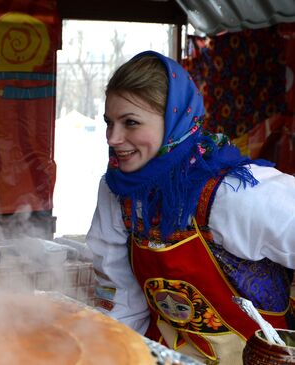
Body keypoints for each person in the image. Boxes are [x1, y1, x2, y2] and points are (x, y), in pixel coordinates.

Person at [86, 50, 295, 365]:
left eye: (130, 122)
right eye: (109, 122)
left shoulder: (237, 193)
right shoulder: (118, 191)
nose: (113, 138)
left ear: (175, 119)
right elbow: (121, 298)